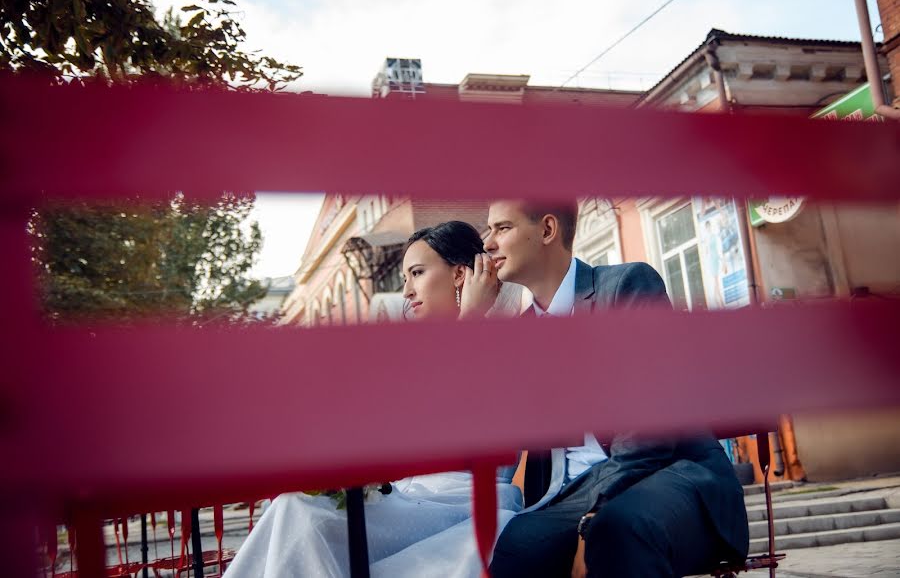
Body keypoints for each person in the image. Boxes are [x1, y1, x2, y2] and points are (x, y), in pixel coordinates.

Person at [223, 221, 521, 578]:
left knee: (304, 515)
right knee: (295, 506)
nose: (406, 290)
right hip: (407, 493)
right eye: (405, 277)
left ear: (460, 274)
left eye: (417, 273)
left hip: (459, 500)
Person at [483, 200, 749, 578]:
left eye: (501, 228)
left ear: (546, 230)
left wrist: (595, 515)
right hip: (570, 494)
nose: (488, 243)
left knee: (616, 530)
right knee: (514, 550)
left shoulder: (625, 287)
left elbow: (649, 436)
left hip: (665, 477)